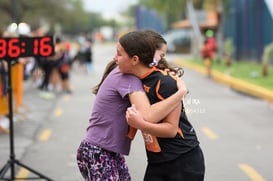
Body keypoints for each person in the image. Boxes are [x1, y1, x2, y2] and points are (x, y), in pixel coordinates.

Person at [76, 31, 188, 180]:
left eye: (119, 54)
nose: (115, 58)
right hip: (98, 151)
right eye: (161, 55)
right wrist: (180, 93)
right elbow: (148, 115)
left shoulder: (133, 76)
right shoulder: (127, 78)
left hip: (106, 151)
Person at [125, 30, 205, 181]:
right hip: (156, 160)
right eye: (161, 54)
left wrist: (140, 124)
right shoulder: (131, 79)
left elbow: (171, 130)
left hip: (182, 160)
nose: (116, 58)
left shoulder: (165, 81)